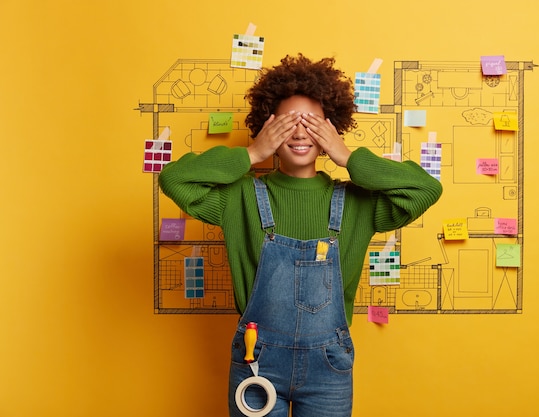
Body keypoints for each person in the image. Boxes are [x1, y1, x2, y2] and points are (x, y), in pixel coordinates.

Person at [158, 54, 443, 417]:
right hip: (256, 361)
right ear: (267, 127)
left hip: (329, 370)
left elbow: (425, 189)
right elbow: (174, 179)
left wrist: (348, 156)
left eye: (310, 124)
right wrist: (251, 153)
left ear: (330, 128)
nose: (298, 133)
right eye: (288, 123)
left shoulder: (357, 203)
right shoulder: (239, 198)